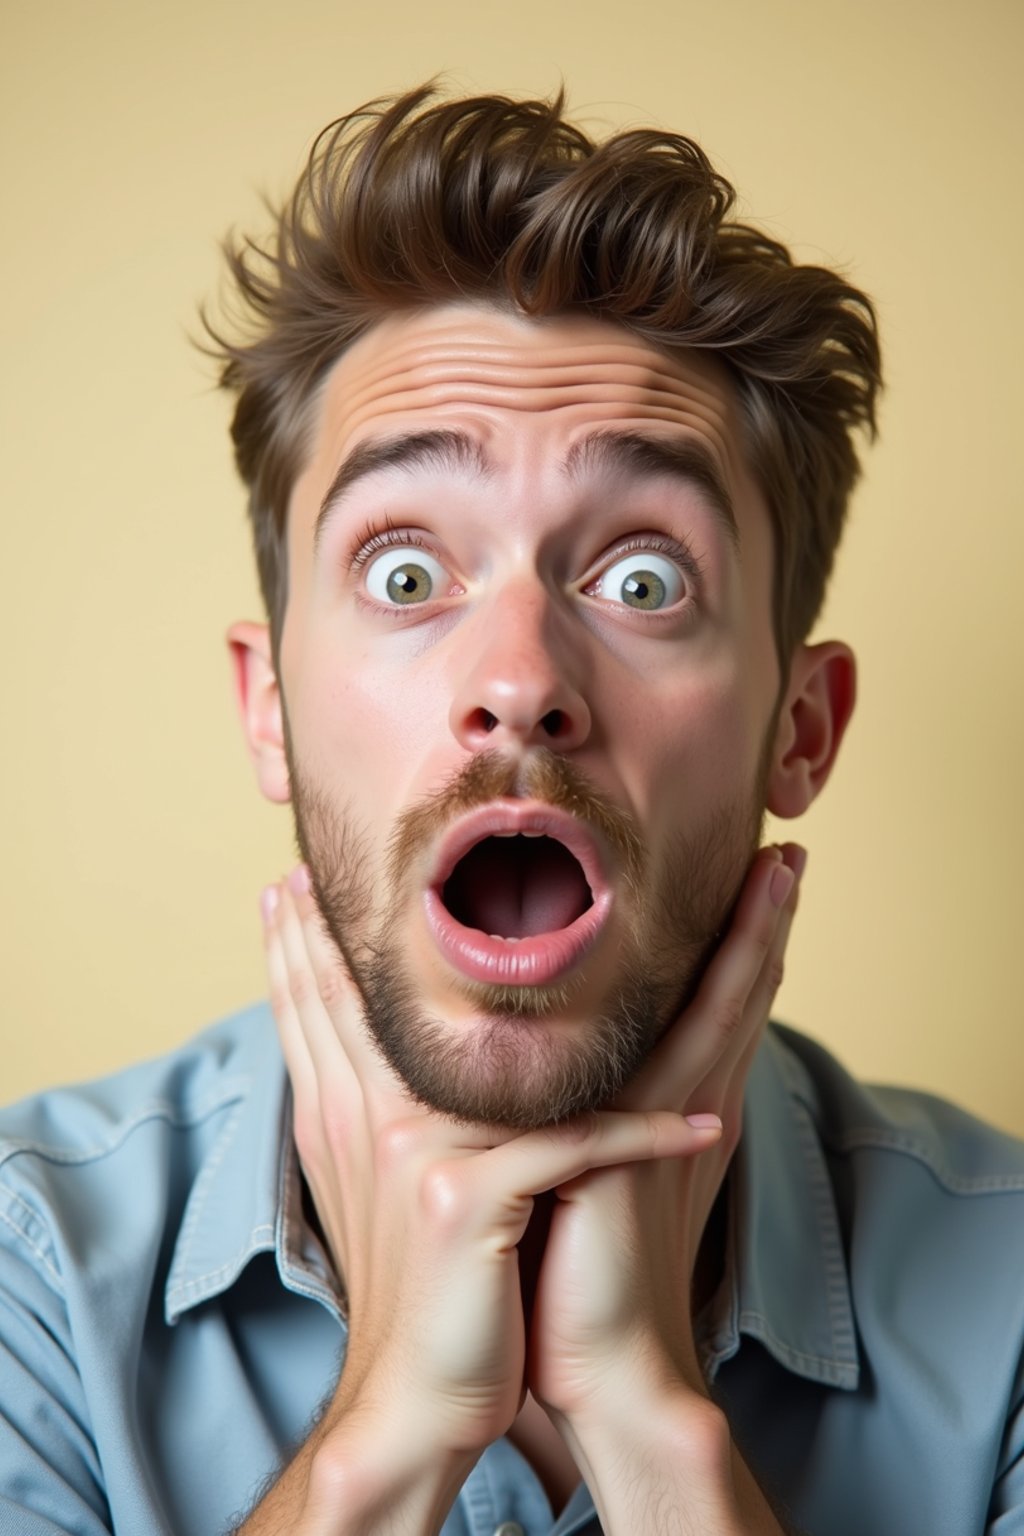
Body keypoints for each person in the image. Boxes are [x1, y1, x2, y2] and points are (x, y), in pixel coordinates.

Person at [2, 84, 1023, 1536]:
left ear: (801, 731)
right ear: (267, 711)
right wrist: (384, 1438)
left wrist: (651, 1422)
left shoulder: (1014, 1297)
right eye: (408, 574)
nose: (524, 685)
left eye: (644, 581)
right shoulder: (26, 1271)